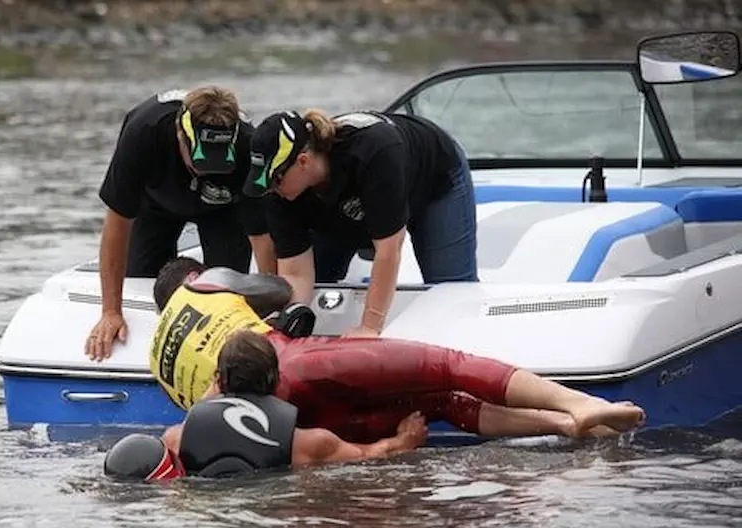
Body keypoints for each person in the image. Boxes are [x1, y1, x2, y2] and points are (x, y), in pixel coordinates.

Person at [148, 257, 646, 445]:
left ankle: (561, 428)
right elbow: (276, 288)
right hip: (295, 361)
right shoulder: (206, 285)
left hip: (285, 423)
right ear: (190, 280)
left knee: (439, 407)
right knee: (447, 370)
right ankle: (577, 406)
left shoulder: (157, 365)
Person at [241, 109, 477, 338]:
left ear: (303, 161)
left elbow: (388, 250)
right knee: (319, 283)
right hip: (342, 207)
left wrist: (369, 326)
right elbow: (296, 274)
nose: (272, 191)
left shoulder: (373, 151)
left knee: (451, 291)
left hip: (432, 182)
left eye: (275, 181)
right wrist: (283, 325)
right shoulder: (279, 193)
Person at [86, 86, 277, 362]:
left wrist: (268, 315)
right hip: (156, 202)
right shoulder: (144, 132)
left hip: (223, 212)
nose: (206, 168)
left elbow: (262, 238)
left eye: (217, 161)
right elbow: (117, 223)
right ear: (179, 133)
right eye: (200, 161)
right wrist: (111, 312)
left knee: (225, 290)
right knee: (142, 277)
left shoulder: (248, 144)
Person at [104, 329, 427, 482]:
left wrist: (208, 399)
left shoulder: (178, 436)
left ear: (220, 380)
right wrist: (405, 439)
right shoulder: (309, 443)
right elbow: (375, 455)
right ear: (276, 381)